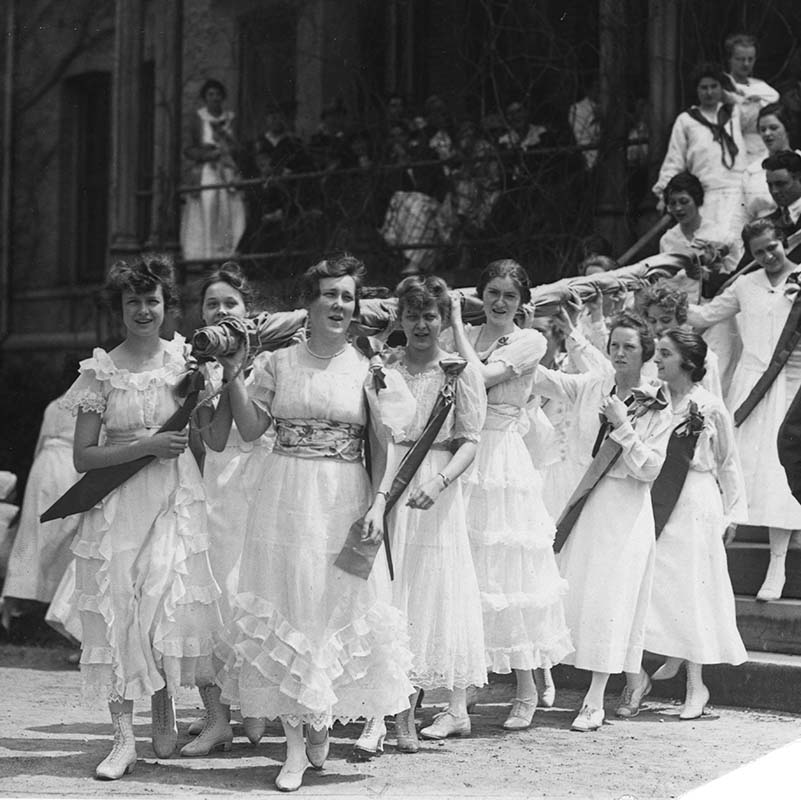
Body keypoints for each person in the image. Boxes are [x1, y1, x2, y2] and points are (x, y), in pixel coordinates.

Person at [218, 255, 414, 792]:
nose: (338, 304)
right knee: (291, 602)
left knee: (332, 605)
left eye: (347, 296)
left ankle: (321, 716)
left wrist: (377, 504)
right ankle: (296, 745)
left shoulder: (370, 368)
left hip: (344, 495)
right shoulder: (279, 363)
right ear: (308, 301)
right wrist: (235, 375)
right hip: (284, 493)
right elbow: (254, 426)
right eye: (328, 294)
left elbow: (384, 444)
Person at [62, 255, 222, 779]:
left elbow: (212, 437)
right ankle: (123, 739)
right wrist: (146, 445)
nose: (144, 310)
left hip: (174, 496)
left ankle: (163, 700)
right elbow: (83, 457)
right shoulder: (100, 372)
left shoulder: (185, 362)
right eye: (133, 302)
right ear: (121, 309)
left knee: (163, 596)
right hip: (117, 502)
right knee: (119, 607)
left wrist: (218, 386)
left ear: (167, 306)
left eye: (152, 300)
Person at [356, 275, 487, 752]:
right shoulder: (384, 368)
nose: (420, 324)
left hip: (433, 490)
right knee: (386, 592)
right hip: (389, 479)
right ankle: (377, 715)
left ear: (442, 319)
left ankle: (405, 715)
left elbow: (471, 439)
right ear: (400, 318)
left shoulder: (459, 371)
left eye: (429, 314)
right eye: (411, 315)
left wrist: (439, 479)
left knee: (423, 594)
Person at [445, 261, 573, 729]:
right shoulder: (464, 334)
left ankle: (527, 687)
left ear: (523, 304)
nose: (500, 303)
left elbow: (478, 376)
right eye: (492, 293)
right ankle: (465, 686)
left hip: (501, 455)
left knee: (509, 574)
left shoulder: (530, 339)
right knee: (469, 572)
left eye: (509, 296)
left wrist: (456, 322)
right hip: (462, 452)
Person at [533, 312, 672, 731]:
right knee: (573, 592)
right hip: (587, 505)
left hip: (626, 511)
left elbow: (648, 469)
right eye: (614, 345)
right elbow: (546, 381)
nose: (620, 353)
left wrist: (623, 423)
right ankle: (546, 680)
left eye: (630, 346)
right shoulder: (594, 384)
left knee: (611, 599)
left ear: (645, 353)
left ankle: (595, 699)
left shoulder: (656, 406)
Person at [180, 263, 273, 756]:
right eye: (212, 305)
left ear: (247, 311)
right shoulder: (204, 366)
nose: (221, 312)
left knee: (253, 593)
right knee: (215, 595)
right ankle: (217, 716)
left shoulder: (269, 363)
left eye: (230, 304)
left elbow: (251, 427)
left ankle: (255, 705)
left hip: (261, 482)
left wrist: (230, 373)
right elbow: (215, 439)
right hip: (220, 487)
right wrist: (199, 395)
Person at [687, 218, 801, 601]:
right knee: (738, 472)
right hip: (750, 387)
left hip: (790, 388)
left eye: (773, 247)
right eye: (759, 252)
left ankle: (777, 566)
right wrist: (670, 298)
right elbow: (703, 318)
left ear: (784, 242)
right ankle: (712, 565)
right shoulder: (744, 285)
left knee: (778, 478)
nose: (769, 256)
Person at [640, 329, 747, 719]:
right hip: (658, 499)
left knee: (691, 587)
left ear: (687, 361)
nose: (657, 360)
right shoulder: (653, 399)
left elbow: (728, 463)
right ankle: (672, 649)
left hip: (697, 500)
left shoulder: (710, 406)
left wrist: (733, 512)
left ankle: (695, 685)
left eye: (664, 353)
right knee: (659, 583)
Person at [653, 63, 746, 229]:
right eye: (704, 87)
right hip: (707, 195)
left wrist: (730, 96)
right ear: (696, 90)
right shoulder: (686, 120)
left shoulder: (735, 113)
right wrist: (664, 195)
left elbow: (767, 100)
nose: (709, 92)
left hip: (739, 192)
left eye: (714, 86)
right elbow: (675, 160)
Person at [180, 79, 246, 261]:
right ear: (205, 98)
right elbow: (188, 148)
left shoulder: (231, 119)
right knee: (209, 207)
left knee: (229, 209)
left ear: (223, 97)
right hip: (207, 170)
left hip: (228, 169)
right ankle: (206, 256)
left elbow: (240, 147)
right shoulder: (198, 119)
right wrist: (206, 154)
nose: (215, 98)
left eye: (218, 94)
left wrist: (229, 148)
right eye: (210, 95)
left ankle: (227, 254)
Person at [658, 172, 738, 301]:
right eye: (673, 203)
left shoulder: (721, 235)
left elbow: (734, 277)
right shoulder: (667, 240)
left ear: (697, 200)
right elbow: (666, 282)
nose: (678, 208)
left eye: (684, 201)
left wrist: (707, 274)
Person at [730, 103, 798, 240]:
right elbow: (740, 216)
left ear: (787, 128)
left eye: (773, 128)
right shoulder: (752, 171)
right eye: (762, 129)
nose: (767, 134)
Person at [640, 284, 722, 397]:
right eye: (653, 321)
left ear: (680, 318)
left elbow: (713, 402)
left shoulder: (703, 356)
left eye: (666, 320)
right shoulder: (646, 351)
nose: (658, 327)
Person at [723, 33, 779, 164]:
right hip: (731, 149)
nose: (746, 64)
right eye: (740, 59)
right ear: (729, 59)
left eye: (750, 59)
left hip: (761, 148)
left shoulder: (760, 86)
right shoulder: (720, 86)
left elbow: (775, 98)